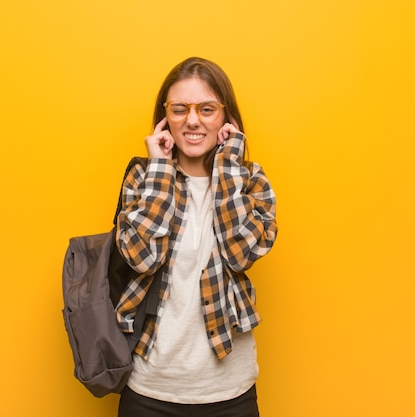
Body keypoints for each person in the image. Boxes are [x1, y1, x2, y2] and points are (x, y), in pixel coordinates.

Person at [114, 57, 278, 417]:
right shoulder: (142, 178)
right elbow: (142, 258)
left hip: (229, 392)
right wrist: (158, 169)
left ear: (226, 118)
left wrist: (230, 164)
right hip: (149, 389)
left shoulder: (250, 180)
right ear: (164, 117)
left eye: (206, 109)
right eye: (179, 109)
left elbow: (242, 253)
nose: (192, 120)